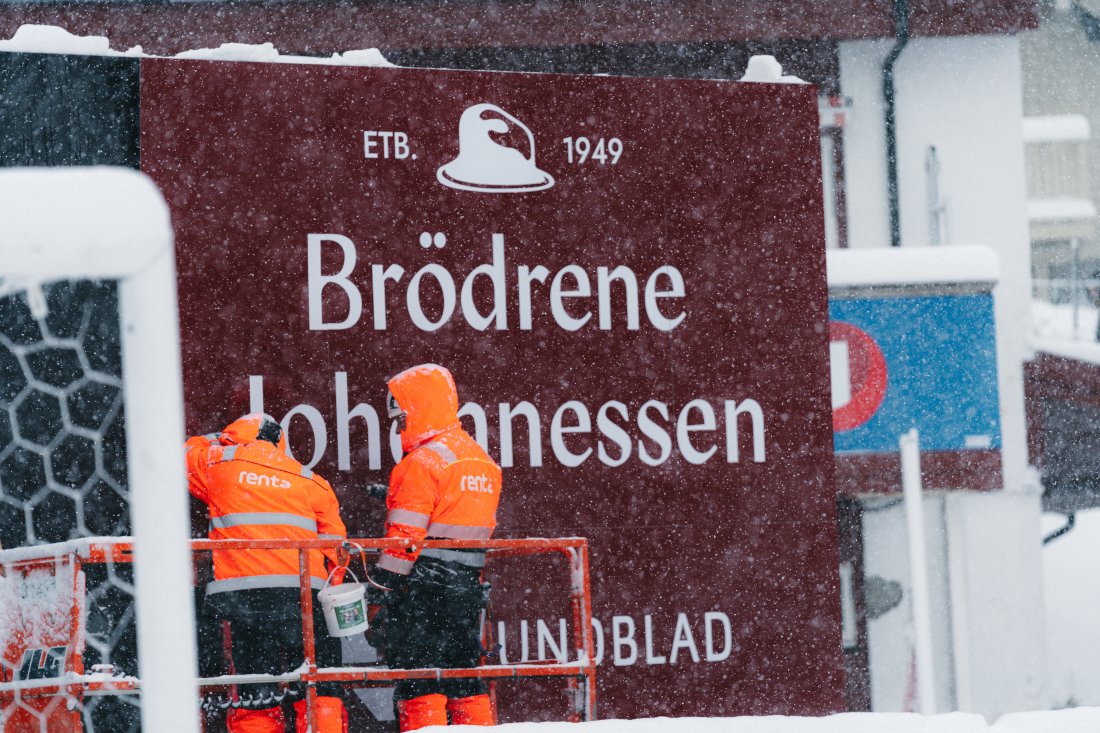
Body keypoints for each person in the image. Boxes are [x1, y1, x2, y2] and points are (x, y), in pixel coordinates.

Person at [186, 413, 349, 733]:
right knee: (318, 687)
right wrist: (329, 590)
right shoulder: (310, 479)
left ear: (237, 437)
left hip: (243, 596)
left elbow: (185, 454)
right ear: (279, 443)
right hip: (305, 595)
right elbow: (336, 547)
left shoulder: (219, 464)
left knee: (254, 691)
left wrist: (216, 438)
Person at [368, 364, 503, 731]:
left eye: (401, 420)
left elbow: (404, 541)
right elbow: (454, 517)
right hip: (465, 591)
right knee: (464, 678)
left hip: (422, 593)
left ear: (415, 409)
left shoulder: (422, 463)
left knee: (419, 680)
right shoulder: (481, 460)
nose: (399, 429)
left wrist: (379, 591)